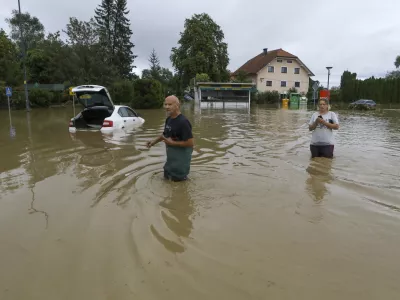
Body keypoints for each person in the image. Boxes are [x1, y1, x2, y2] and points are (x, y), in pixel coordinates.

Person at [147, 95, 194, 181]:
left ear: (177, 105)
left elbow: (190, 143)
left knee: (179, 186)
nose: (167, 107)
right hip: (171, 161)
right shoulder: (169, 119)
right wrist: (153, 142)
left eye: (170, 104)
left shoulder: (183, 122)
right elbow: (164, 135)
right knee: (166, 180)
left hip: (180, 162)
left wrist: (172, 143)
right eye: (165, 104)